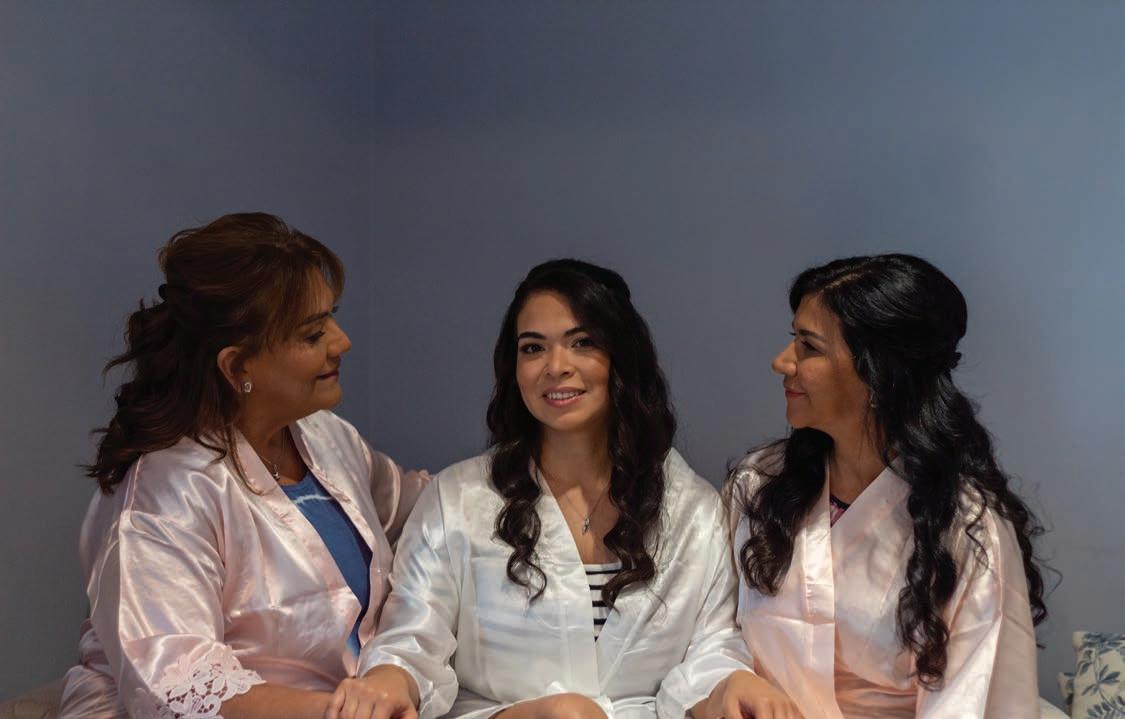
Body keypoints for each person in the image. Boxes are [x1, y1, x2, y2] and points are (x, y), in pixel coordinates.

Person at [326, 259, 756, 719]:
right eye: (533, 348)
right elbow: (412, 638)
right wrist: (390, 678)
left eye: (582, 343)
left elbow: (713, 649)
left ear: (622, 356)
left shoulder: (693, 512)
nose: (556, 367)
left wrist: (729, 686)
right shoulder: (458, 500)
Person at [58, 213, 428, 719]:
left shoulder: (326, 436)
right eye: (313, 333)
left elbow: (422, 506)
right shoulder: (166, 494)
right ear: (237, 367)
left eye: (331, 319)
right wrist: (348, 712)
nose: (341, 341)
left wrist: (521, 470)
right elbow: (180, 688)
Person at [727, 254, 1047, 717]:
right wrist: (730, 677)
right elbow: (710, 631)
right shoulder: (759, 484)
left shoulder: (966, 530)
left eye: (808, 347)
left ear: (879, 375)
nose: (782, 362)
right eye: (792, 339)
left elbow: (973, 704)